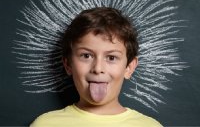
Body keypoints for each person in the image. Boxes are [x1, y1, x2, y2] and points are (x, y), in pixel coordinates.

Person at [30, 7, 162, 127]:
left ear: (129, 68)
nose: (98, 68)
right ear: (68, 65)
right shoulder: (45, 124)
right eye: (86, 56)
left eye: (111, 58)